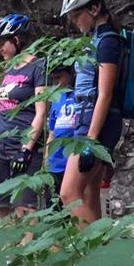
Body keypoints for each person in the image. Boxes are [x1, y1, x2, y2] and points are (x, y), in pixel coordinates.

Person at [58, 0, 125, 223]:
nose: (75, 22)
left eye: (77, 15)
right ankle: (98, 254)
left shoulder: (107, 41)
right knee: (88, 193)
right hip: (86, 121)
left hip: (96, 125)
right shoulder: (95, 40)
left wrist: (91, 140)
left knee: (68, 194)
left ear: (94, 10)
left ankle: (93, 250)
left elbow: (105, 93)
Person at [0, 13, 49, 215]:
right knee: (0, 205)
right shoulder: (10, 70)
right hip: (1, 146)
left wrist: (26, 148)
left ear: (17, 40)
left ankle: (29, 246)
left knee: (26, 207)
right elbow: (4, 109)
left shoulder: (38, 67)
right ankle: (6, 246)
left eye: (2, 42)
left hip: (23, 146)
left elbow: (41, 112)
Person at [44, 64, 81, 205]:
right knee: (53, 208)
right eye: (54, 79)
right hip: (54, 163)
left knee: (73, 205)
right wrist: (46, 162)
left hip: (72, 161)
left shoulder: (80, 94)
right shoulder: (57, 99)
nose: (57, 83)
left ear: (71, 74)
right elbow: (51, 133)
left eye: (60, 78)